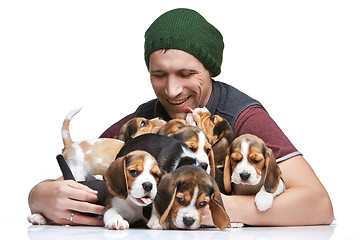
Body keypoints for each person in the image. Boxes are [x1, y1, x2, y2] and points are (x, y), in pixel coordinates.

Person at [28, 8, 334, 227]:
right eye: (159, 75)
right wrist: (40, 195)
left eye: (187, 74)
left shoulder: (241, 118)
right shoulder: (142, 122)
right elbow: (85, 177)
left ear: (210, 68)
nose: (172, 90)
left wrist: (201, 209)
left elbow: (318, 205)